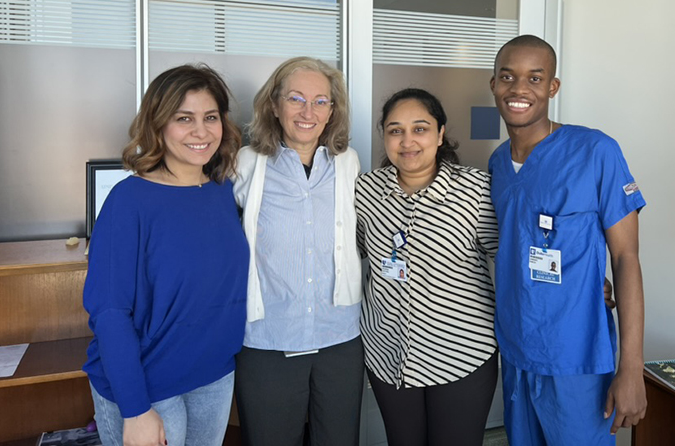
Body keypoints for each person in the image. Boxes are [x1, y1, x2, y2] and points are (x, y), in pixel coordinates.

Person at [488, 35, 647, 445]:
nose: (519, 89)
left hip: (578, 357)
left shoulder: (596, 151)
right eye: (508, 76)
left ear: (552, 87)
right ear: (493, 85)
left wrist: (631, 367)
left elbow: (626, 257)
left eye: (535, 78)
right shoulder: (497, 164)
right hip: (519, 351)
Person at [83, 64, 249, 446]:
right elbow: (109, 311)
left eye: (210, 117)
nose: (200, 131)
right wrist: (135, 409)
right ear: (158, 124)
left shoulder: (223, 191)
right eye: (183, 118)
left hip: (214, 375)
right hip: (148, 385)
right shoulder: (129, 201)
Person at [355, 88, 499, 446]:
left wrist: (583, 284)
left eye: (419, 129)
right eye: (395, 130)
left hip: (461, 355)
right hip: (388, 355)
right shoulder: (366, 191)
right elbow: (349, 254)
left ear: (439, 134)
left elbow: (510, 258)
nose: (407, 141)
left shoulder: (476, 190)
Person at [232, 57, 364, 446]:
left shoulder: (348, 164)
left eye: (321, 101)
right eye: (296, 99)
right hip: (268, 339)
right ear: (274, 105)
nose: (309, 111)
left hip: (338, 337)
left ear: (332, 111)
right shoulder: (245, 165)